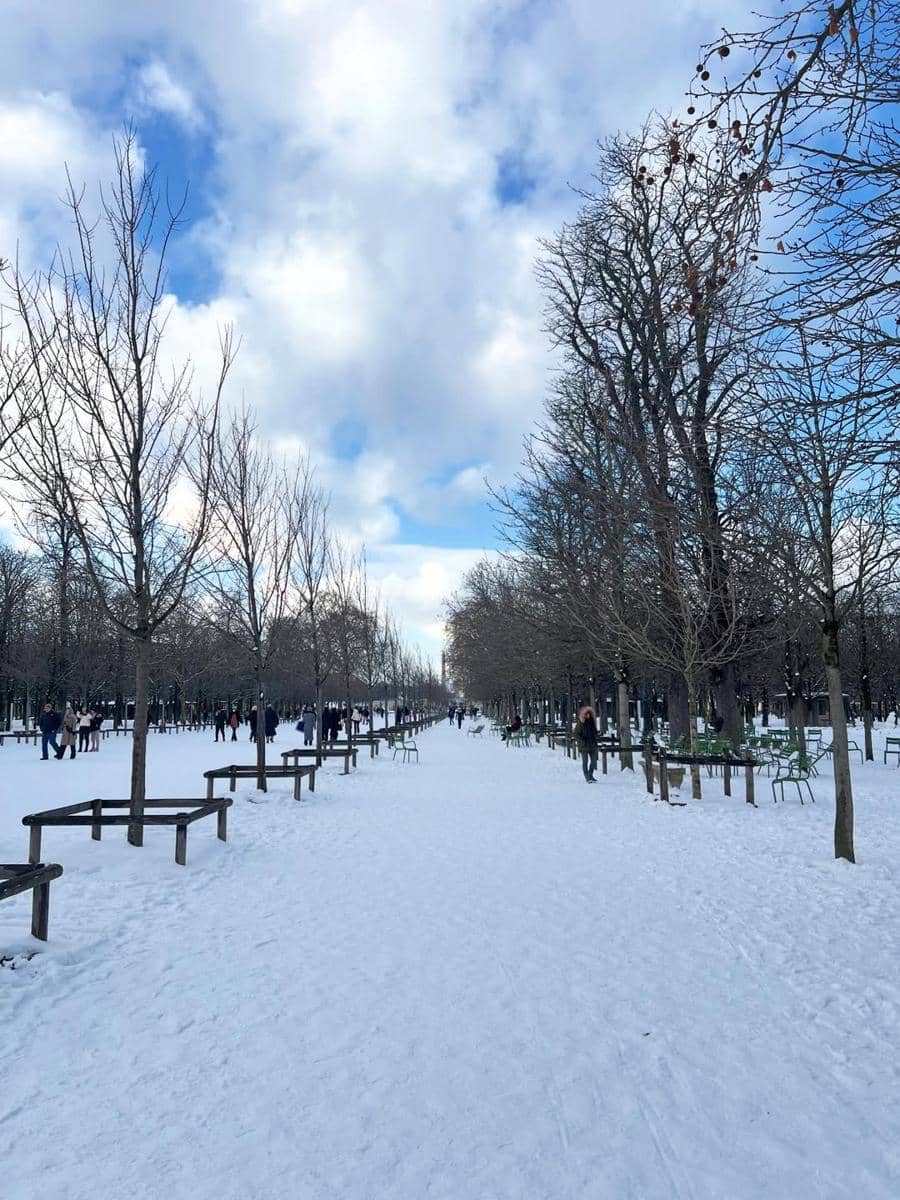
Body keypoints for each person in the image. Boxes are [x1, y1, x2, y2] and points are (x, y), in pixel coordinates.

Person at [574, 704, 599, 783]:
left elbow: (594, 732)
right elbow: (576, 734)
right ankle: (586, 775)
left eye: (589, 714)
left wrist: (595, 738)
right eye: (586, 714)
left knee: (594, 761)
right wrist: (582, 742)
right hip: (584, 745)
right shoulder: (580, 723)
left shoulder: (592, 723)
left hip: (592, 744)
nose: (588, 715)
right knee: (585, 761)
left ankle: (590, 774)